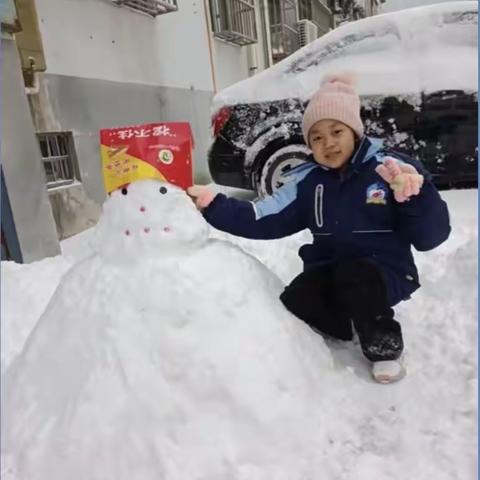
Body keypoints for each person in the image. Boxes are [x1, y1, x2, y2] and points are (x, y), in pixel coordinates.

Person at [187, 72, 451, 383]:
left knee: (358, 277)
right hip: (333, 269)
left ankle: (384, 347)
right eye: (317, 137)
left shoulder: (390, 169)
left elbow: (431, 236)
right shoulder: (308, 182)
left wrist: (415, 198)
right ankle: (344, 324)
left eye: (336, 131)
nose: (328, 143)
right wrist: (213, 204)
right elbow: (264, 217)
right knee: (296, 299)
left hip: (384, 272)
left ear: (355, 131)